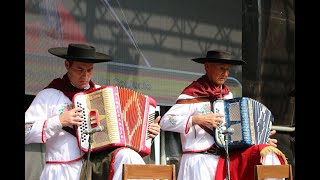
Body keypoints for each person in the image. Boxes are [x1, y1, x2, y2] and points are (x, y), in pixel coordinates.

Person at [25, 43, 161, 180]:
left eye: (90, 70)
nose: (85, 75)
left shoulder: (102, 94)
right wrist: (59, 121)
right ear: (67, 65)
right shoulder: (49, 95)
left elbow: (125, 133)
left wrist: (147, 133)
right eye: (80, 70)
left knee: (129, 157)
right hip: (62, 171)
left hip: (98, 167)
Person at [159, 50, 287, 180]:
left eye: (228, 70)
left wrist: (260, 139)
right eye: (221, 68)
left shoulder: (227, 95)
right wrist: (197, 119)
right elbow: (165, 121)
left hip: (222, 160)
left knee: (266, 153)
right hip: (197, 161)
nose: (225, 74)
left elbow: (235, 133)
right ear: (207, 66)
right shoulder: (192, 93)